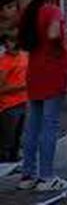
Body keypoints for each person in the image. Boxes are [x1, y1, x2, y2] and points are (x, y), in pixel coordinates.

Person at [17, 0, 67, 192]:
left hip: (35, 71)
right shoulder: (53, 11)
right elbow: (53, 34)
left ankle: (27, 175)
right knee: (50, 125)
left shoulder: (30, 10)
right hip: (53, 73)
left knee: (33, 125)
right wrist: (58, 42)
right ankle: (47, 176)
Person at [0, 19, 27, 176]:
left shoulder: (23, 56)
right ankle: (4, 165)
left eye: (17, 40)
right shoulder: (4, 62)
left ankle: (14, 162)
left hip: (22, 102)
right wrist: (22, 87)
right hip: (9, 106)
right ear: (5, 43)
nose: (14, 44)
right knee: (7, 139)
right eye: (11, 41)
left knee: (17, 137)